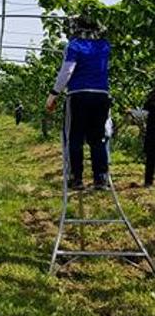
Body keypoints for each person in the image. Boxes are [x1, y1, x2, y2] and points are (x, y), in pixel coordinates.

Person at [46, 15, 111, 191]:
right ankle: (101, 178)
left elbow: (67, 71)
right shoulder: (105, 46)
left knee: (74, 137)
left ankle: (76, 178)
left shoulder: (74, 45)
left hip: (78, 95)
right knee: (97, 138)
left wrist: (53, 94)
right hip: (101, 96)